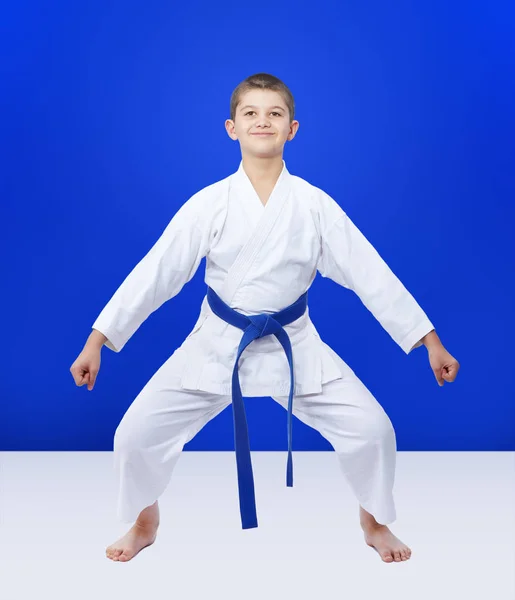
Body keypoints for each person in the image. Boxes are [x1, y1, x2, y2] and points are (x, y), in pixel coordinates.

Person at [70, 73, 460, 564]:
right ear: (231, 128)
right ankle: (145, 519)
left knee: (374, 431)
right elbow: (156, 273)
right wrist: (98, 340)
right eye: (251, 114)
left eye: (274, 114)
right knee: (133, 436)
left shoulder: (314, 206)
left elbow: (370, 274)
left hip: (292, 344)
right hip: (216, 343)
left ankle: (374, 521)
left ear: (292, 129)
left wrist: (428, 341)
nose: (262, 122)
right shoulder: (208, 204)